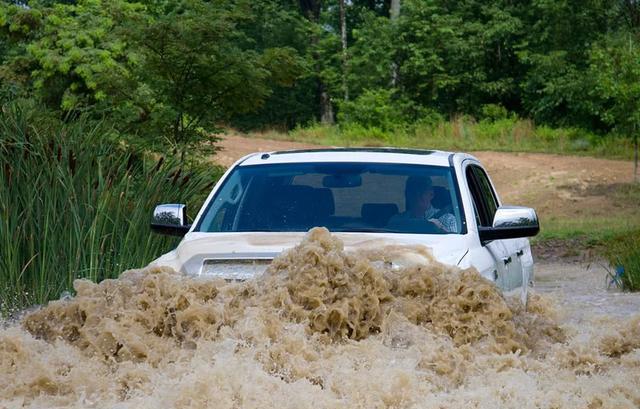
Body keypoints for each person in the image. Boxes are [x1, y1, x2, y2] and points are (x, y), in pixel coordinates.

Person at [390, 176, 458, 233]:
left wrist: (441, 229)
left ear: (431, 194)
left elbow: (457, 245)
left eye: (421, 191)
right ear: (406, 194)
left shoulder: (448, 220)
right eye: (413, 192)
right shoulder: (397, 221)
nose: (417, 196)